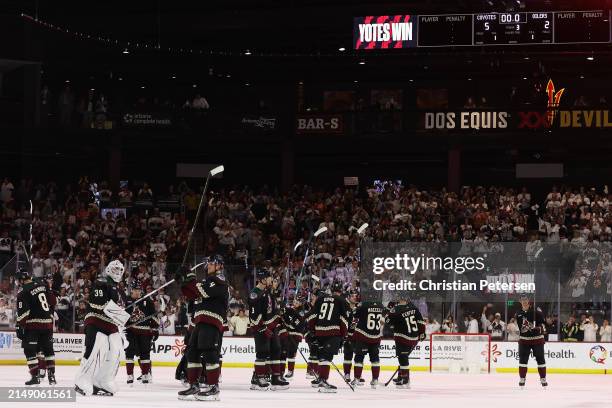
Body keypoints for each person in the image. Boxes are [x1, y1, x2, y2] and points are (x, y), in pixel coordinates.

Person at [176, 256, 229, 401]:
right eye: (208, 264)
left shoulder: (220, 280)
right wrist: (183, 281)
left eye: (212, 263)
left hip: (212, 320)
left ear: (219, 266)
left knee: (209, 352)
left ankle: (213, 388)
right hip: (200, 320)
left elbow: (203, 291)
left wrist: (190, 276)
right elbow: (192, 294)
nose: (208, 266)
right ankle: (194, 385)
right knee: (191, 352)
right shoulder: (208, 281)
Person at [75, 260, 130, 396]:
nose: (117, 273)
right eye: (115, 269)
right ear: (109, 269)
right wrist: (120, 314)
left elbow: (121, 312)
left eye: (119, 270)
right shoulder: (102, 282)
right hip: (96, 320)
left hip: (111, 325)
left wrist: (125, 317)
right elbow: (99, 304)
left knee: (115, 351)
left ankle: (103, 380)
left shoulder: (120, 291)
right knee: (95, 349)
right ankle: (82, 380)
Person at [248, 268, 289, 391]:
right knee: (262, 352)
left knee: (276, 349)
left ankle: (275, 377)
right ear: (263, 279)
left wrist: (279, 317)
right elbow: (254, 315)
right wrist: (262, 328)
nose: (272, 279)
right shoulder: (255, 293)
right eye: (270, 277)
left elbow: (272, 310)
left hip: (272, 327)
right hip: (261, 328)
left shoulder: (268, 292)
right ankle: (258, 378)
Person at [16, 269, 57, 386]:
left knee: (29, 350)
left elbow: (24, 313)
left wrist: (19, 326)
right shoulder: (42, 285)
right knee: (48, 350)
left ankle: (35, 377)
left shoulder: (23, 292)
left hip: (34, 325)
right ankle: (51, 376)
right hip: (48, 324)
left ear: (21, 280)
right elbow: (53, 301)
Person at [309, 281, 350, 393]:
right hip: (332, 332)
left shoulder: (320, 299)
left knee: (322, 356)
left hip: (320, 332)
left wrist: (313, 331)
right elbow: (344, 320)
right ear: (341, 291)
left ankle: (321, 379)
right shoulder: (342, 300)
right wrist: (344, 335)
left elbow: (312, 316)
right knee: (326, 357)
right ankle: (323, 381)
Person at [385, 297, 425, 389]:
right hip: (414, 338)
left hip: (402, 337)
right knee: (403, 358)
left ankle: (405, 379)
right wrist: (422, 333)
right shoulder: (414, 308)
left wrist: (388, 311)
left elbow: (388, 321)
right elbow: (420, 321)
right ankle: (401, 377)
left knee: (403, 358)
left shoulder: (397, 309)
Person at [124, 284, 159, 385]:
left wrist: (155, 329)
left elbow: (153, 315)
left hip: (144, 331)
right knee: (129, 353)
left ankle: (145, 374)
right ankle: (130, 375)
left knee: (145, 353)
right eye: (135, 290)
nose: (137, 292)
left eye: (139, 290)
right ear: (132, 291)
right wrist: (122, 326)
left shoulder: (147, 301)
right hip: (131, 330)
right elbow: (123, 316)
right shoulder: (127, 301)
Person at [351, 298, 386, 388]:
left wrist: (356, 307)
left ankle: (357, 378)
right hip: (375, 336)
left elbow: (355, 314)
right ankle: (375, 379)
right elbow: (383, 320)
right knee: (375, 359)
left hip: (363, 335)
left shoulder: (364, 305)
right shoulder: (380, 305)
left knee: (359, 357)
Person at [515, 294, 547, 388]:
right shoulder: (518, 313)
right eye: (522, 299)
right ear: (520, 301)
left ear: (528, 300)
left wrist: (538, 328)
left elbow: (543, 324)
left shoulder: (536, 311)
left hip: (537, 339)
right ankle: (522, 378)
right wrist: (530, 326)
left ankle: (543, 378)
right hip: (524, 340)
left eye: (526, 299)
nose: (524, 301)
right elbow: (522, 328)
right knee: (523, 359)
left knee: (540, 358)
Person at [279, 296, 305, 380]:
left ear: (301, 303)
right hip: (286, 334)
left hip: (295, 335)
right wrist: (283, 310)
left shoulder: (301, 312)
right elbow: (284, 316)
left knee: (291, 354)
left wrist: (287, 319)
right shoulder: (290, 309)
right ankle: (281, 371)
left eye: (298, 302)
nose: (295, 303)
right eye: (295, 301)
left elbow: (294, 324)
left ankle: (290, 371)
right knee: (283, 353)